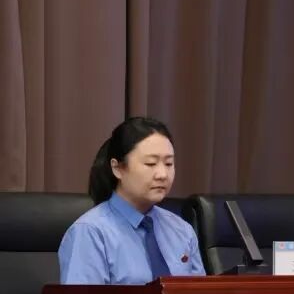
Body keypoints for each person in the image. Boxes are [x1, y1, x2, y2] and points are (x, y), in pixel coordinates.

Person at [58, 117, 205, 284]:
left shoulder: (182, 231)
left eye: (169, 163)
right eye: (151, 164)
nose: (163, 174)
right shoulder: (90, 232)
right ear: (118, 168)